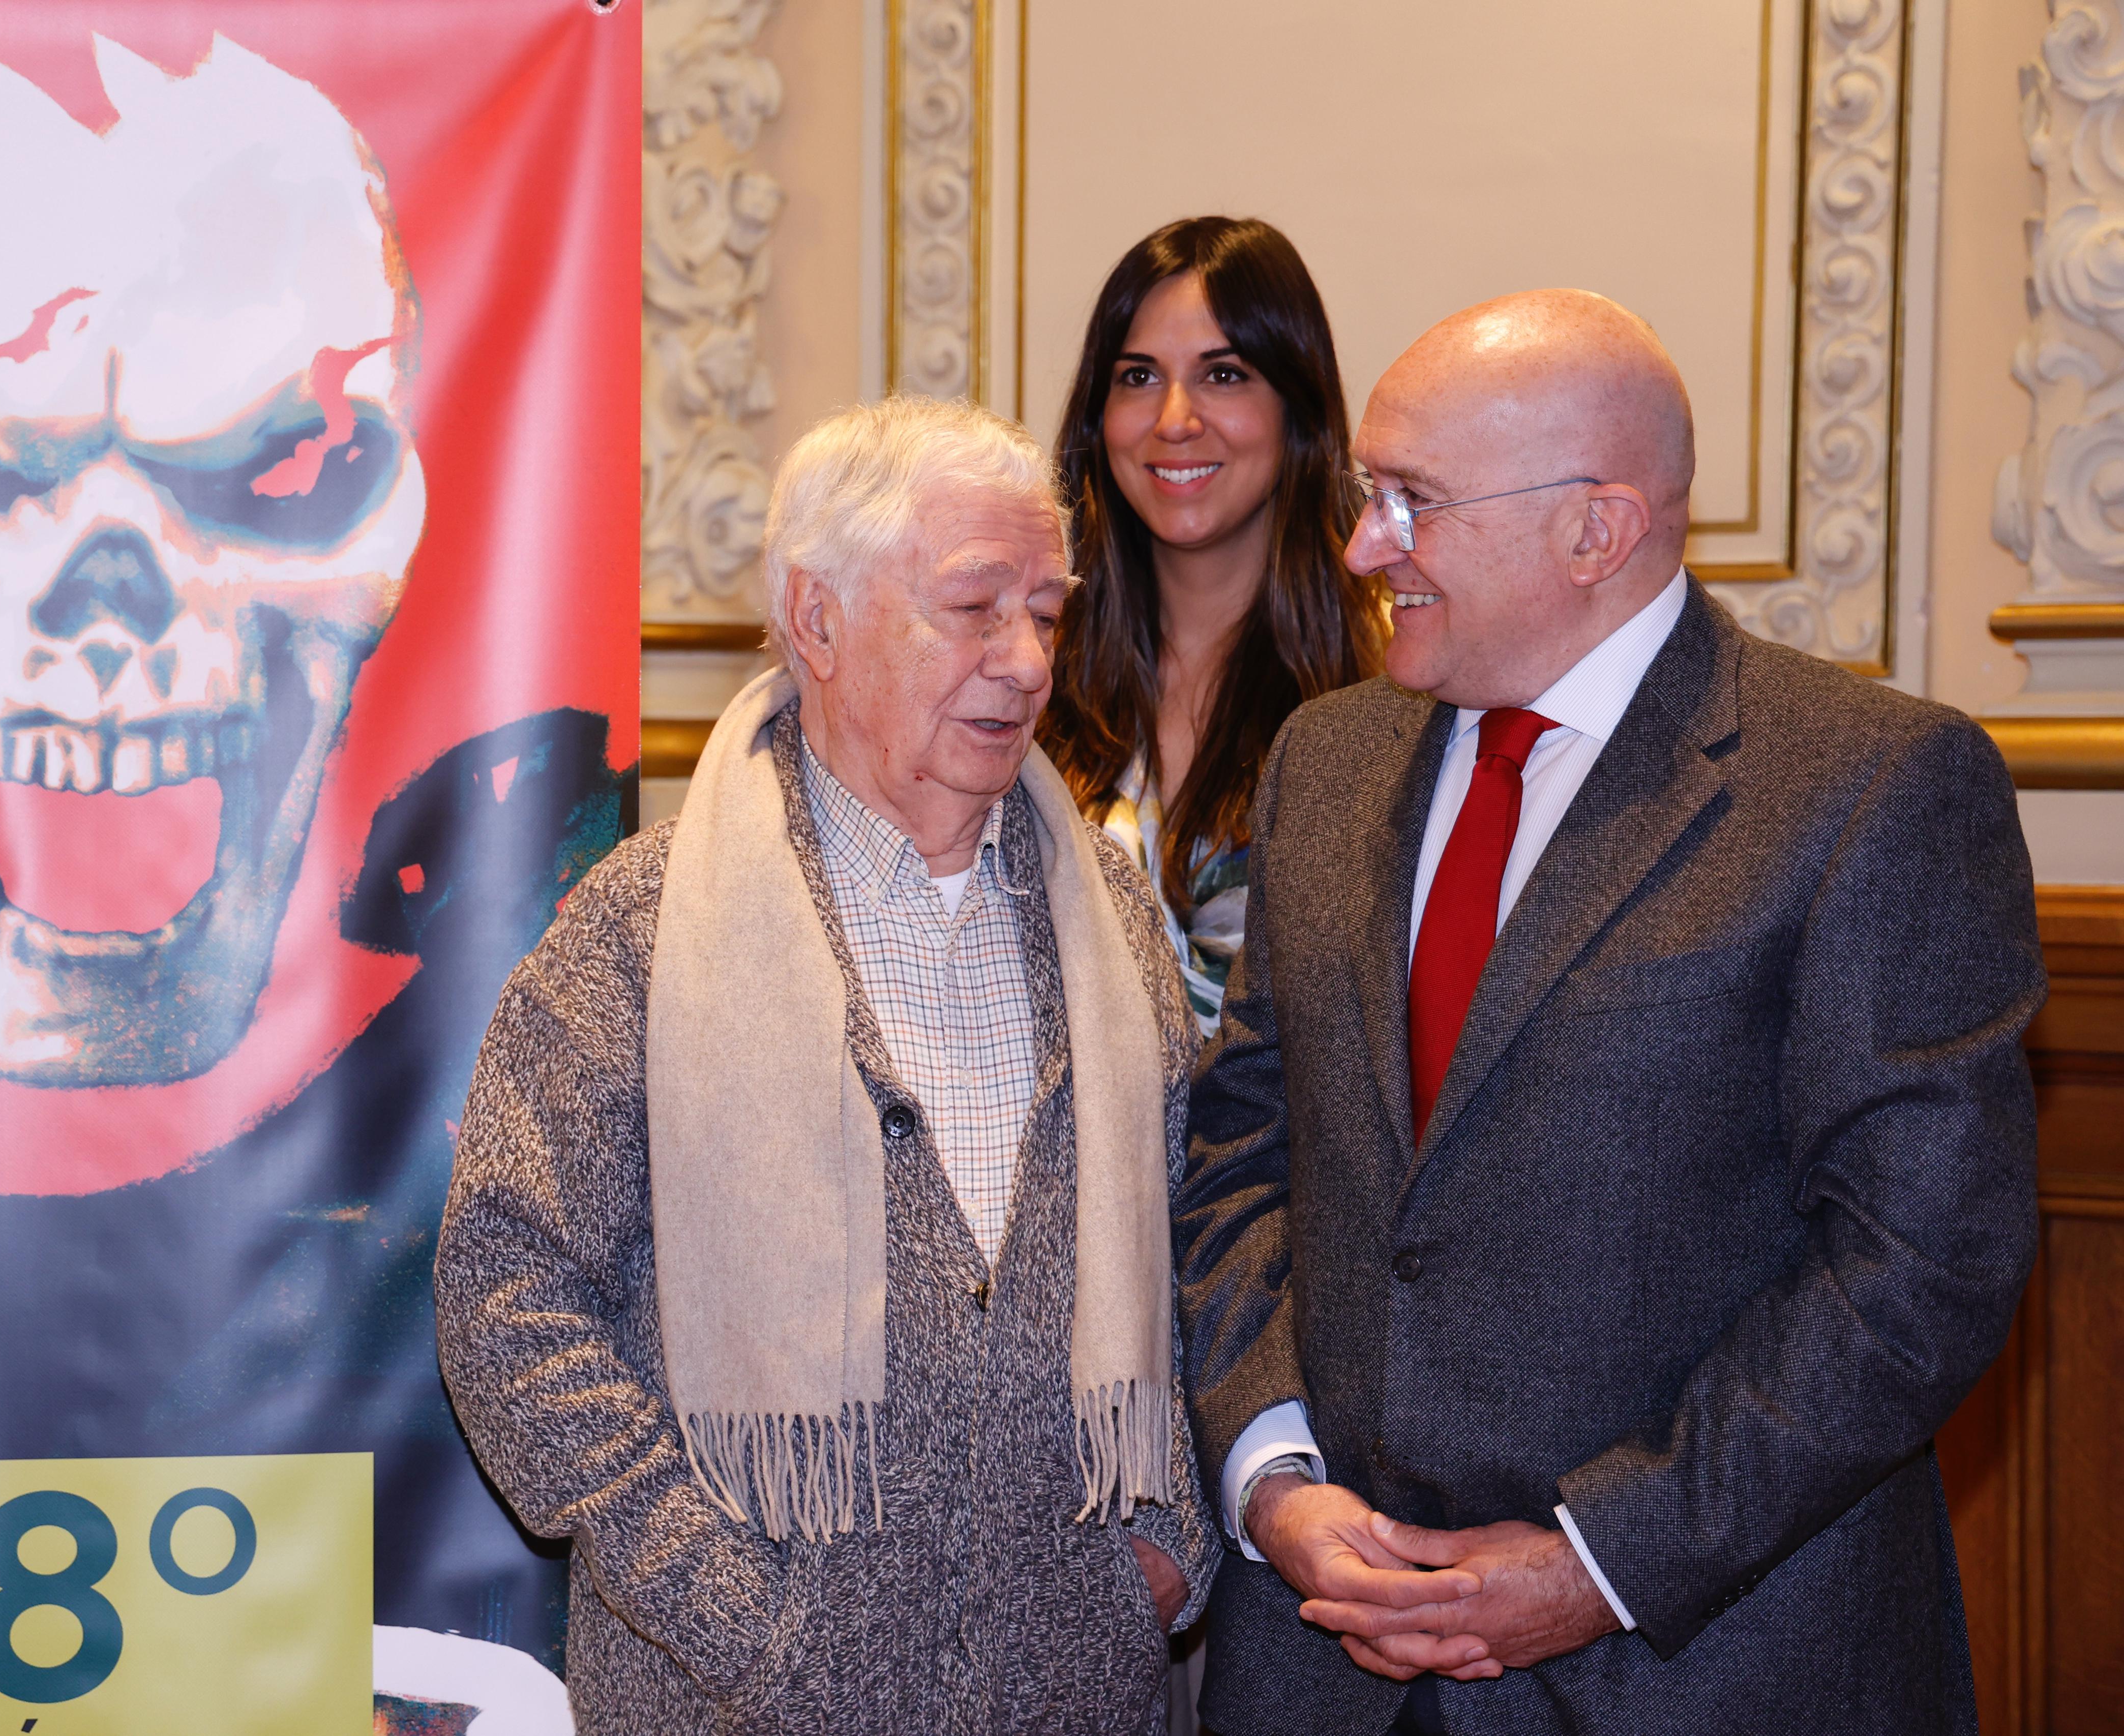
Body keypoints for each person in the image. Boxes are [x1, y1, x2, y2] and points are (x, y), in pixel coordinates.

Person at [1177, 289, 2042, 1735]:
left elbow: (1920, 1262)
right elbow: (1241, 1149)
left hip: (1701, 1669)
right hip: (1325, 1663)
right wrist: (1273, 1478)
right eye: (1368, 494)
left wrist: (1603, 1560)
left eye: (1414, 501)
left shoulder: (1866, 787)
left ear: (1599, 529)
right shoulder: (1323, 761)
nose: (1365, 546)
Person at [437, 396, 1219, 1733]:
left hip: (1078, 1698)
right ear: (817, 619)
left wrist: (1155, 1549)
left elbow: (1205, 1251)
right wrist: (724, 1604)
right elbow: (504, 1287)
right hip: (734, 1704)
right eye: (973, 607)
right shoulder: (645, 930)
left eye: (1045, 611)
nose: (1028, 662)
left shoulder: (1116, 921)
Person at [1039, 217, 1384, 1036]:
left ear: (1297, 409)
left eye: (1223, 374)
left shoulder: (1400, 676)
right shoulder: (1023, 667)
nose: (1175, 418)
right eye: (1138, 377)